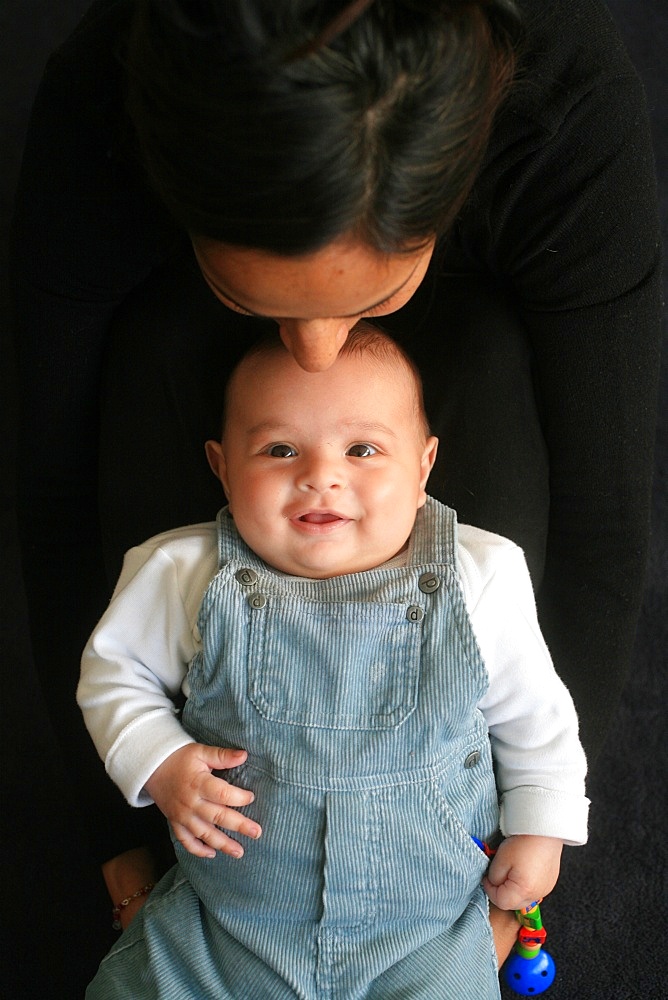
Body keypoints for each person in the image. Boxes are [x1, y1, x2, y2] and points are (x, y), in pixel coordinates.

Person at [8, 0, 660, 962]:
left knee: (480, 360)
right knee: (158, 357)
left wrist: (540, 827)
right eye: (254, 293)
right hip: (200, 373)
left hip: (454, 356)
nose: (315, 353)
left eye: (372, 292)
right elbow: (53, 491)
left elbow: (606, 518)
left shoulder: (563, 109)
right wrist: (120, 824)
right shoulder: (102, 110)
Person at [78, 326, 588, 999]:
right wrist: (159, 758)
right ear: (222, 465)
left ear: (424, 465)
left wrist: (540, 829)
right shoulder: (186, 572)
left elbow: (537, 718)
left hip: (421, 926)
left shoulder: (479, 575)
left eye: (363, 448)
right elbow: (115, 671)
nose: (321, 475)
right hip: (229, 923)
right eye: (279, 449)